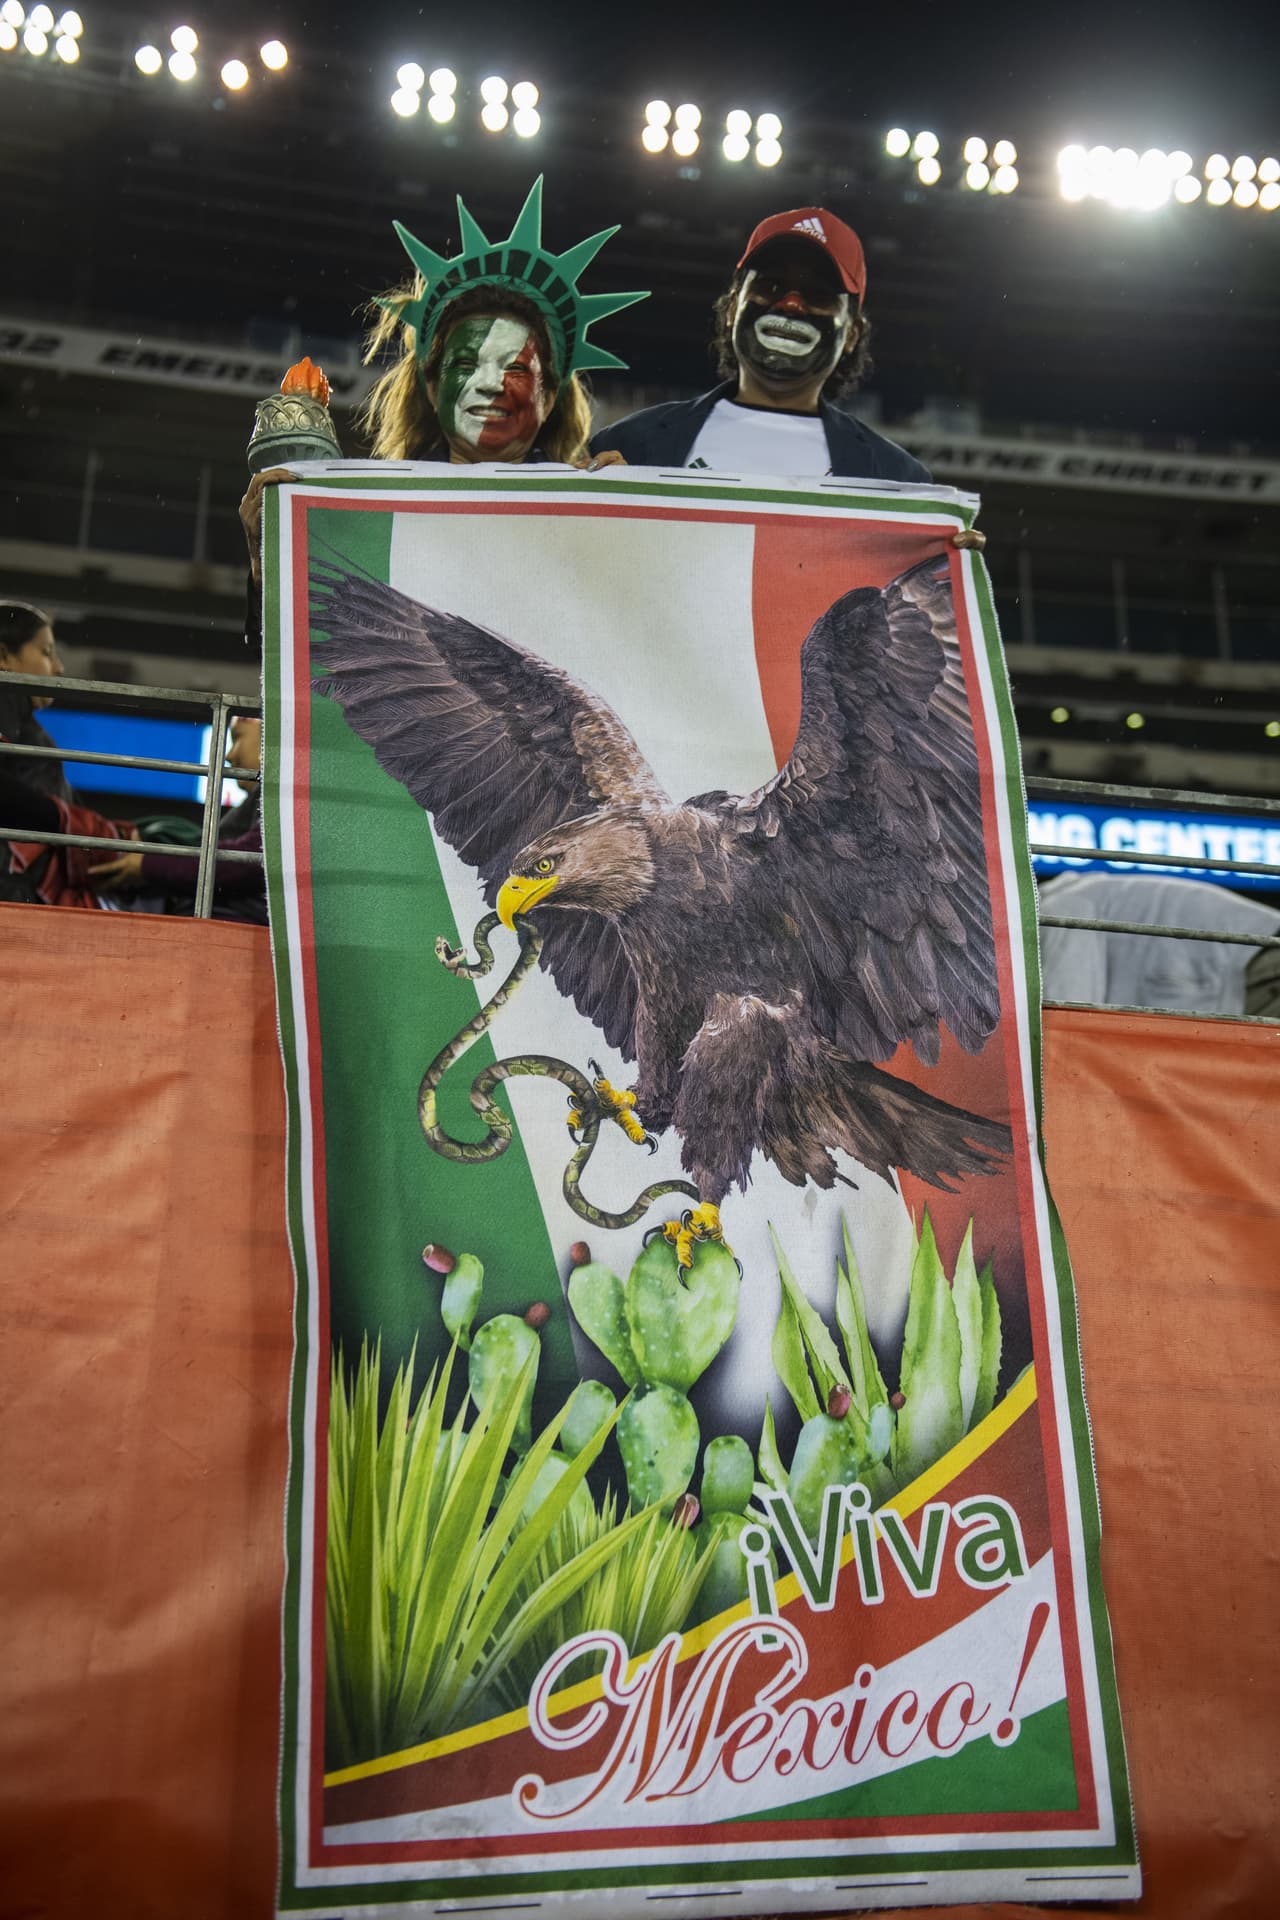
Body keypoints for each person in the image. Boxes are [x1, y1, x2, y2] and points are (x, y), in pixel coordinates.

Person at [239, 176, 643, 587]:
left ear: (549, 396)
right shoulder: (365, 517)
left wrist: (633, 531)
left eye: (516, 368)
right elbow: (311, 642)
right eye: (466, 364)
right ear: (432, 388)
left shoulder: (588, 514)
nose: (490, 384)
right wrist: (266, 567)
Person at [591, 205, 930, 484]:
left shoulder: (898, 480)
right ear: (733, 307)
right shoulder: (630, 445)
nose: (791, 305)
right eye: (770, 286)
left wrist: (949, 561)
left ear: (852, 334)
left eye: (817, 295)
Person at [0, 598, 135, 907]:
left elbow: (54, 802)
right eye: (46, 653)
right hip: (13, 895)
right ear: (4, 656)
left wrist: (104, 831)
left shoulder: (22, 718)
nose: (58, 667)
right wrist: (67, 822)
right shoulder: (5, 695)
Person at [87, 715, 267, 925]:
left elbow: (248, 860)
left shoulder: (281, 796)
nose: (228, 755)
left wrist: (147, 866)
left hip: (229, 927)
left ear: (270, 738)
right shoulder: (263, 804)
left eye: (237, 738)